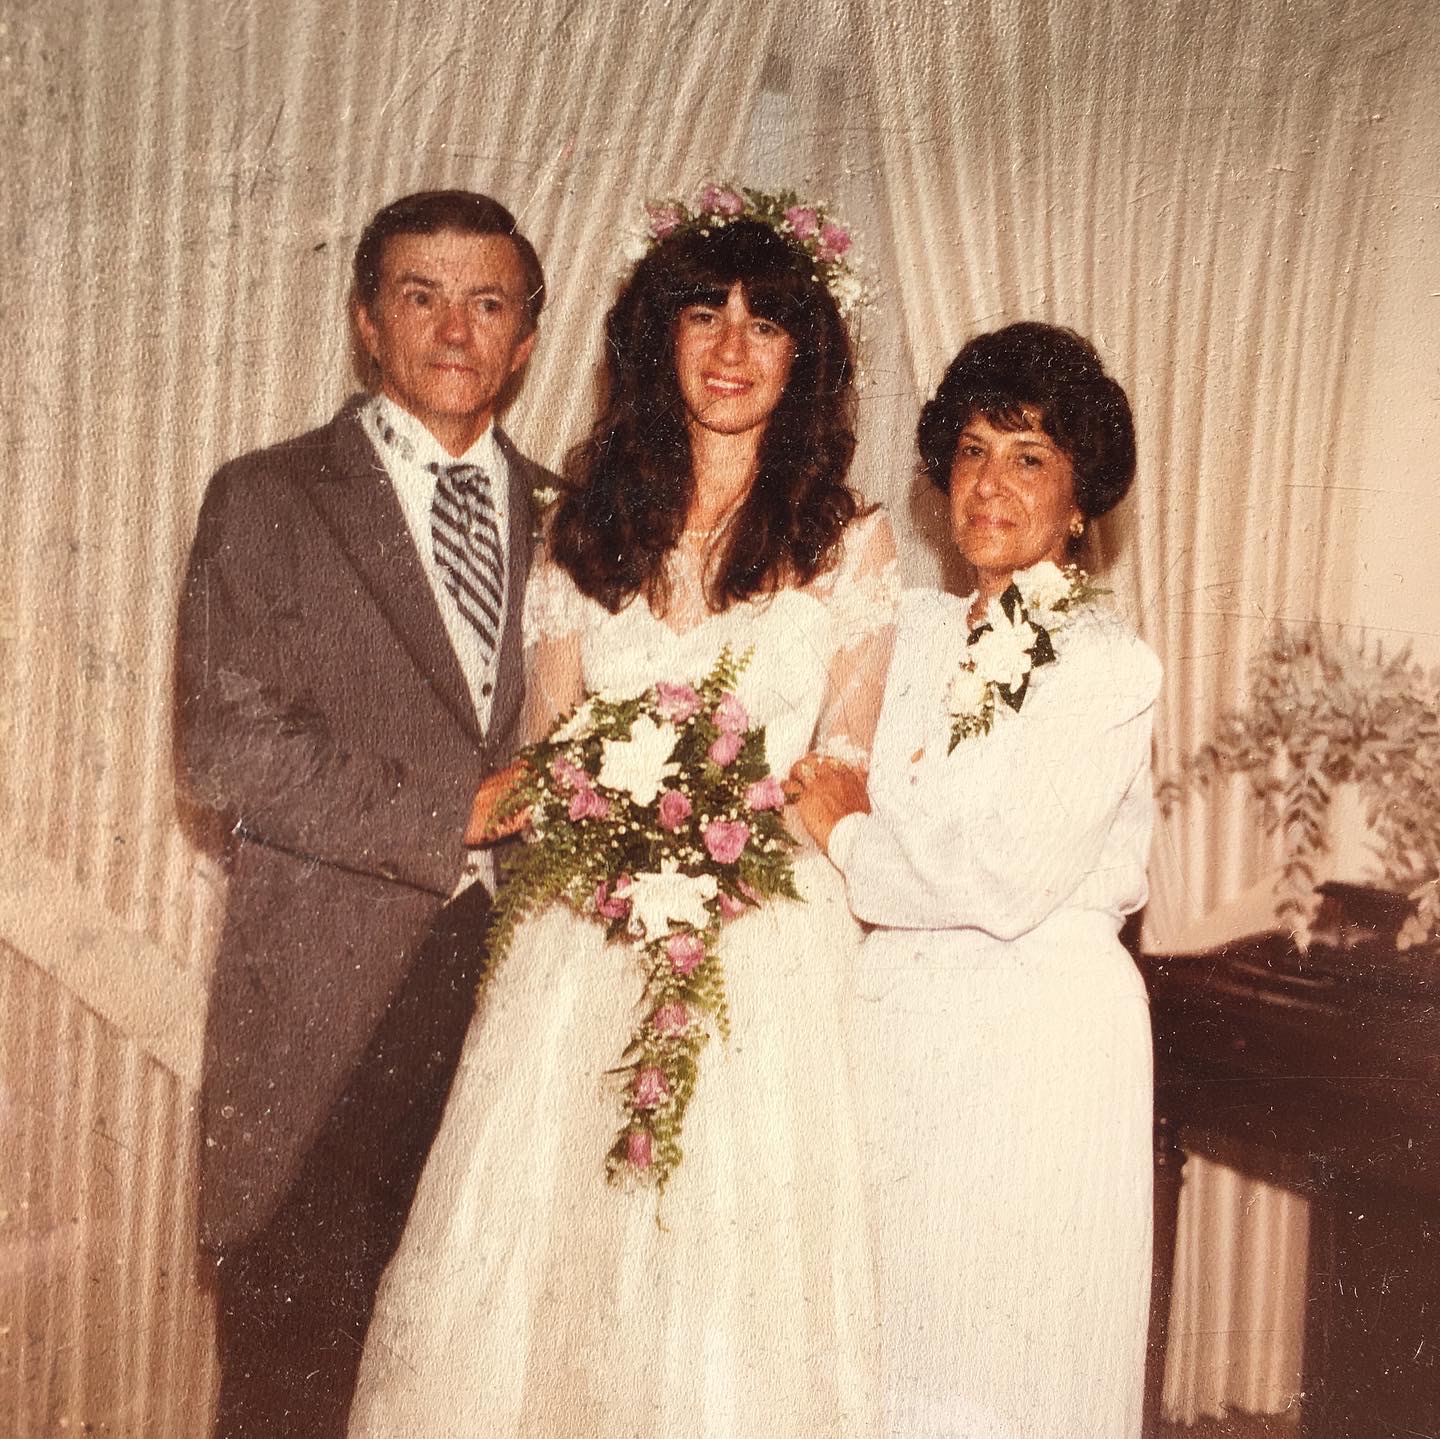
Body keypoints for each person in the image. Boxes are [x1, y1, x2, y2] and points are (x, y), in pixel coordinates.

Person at [347, 189, 899, 1438]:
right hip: (589, 934)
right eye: (704, 315)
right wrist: (615, 824)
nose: (732, 348)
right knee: (553, 1261)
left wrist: (719, 833)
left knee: (728, 1266)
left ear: (805, 354)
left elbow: (839, 771)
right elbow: (546, 754)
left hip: (764, 947)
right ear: (660, 338)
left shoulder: (848, 543)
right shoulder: (584, 528)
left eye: (766, 323)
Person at [175, 189, 556, 1439]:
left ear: (525, 338)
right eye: (420, 296)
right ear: (366, 322)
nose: (453, 329)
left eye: (486, 302)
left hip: (523, 1007)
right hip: (328, 1015)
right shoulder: (271, 498)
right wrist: (456, 808)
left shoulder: (582, 520)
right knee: (295, 1389)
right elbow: (224, 746)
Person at [792, 322, 1161, 1436]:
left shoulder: (1105, 663)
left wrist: (850, 836)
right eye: (971, 452)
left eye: (1029, 456)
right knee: (890, 1348)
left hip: (1034, 1043)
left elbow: (1003, 878)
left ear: (1079, 500)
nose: (991, 483)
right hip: (898, 1032)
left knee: (1009, 1358)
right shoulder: (906, 628)